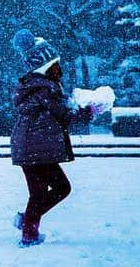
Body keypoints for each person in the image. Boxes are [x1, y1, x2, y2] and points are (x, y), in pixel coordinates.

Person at [9, 28, 94, 247]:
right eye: (56, 64)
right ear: (47, 67)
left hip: (30, 146)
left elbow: (59, 112)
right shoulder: (44, 89)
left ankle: (27, 223)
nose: (60, 69)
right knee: (56, 189)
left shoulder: (40, 87)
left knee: (43, 192)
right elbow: (63, 115)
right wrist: (90, 111)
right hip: (35, 148)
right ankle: (28, 233)